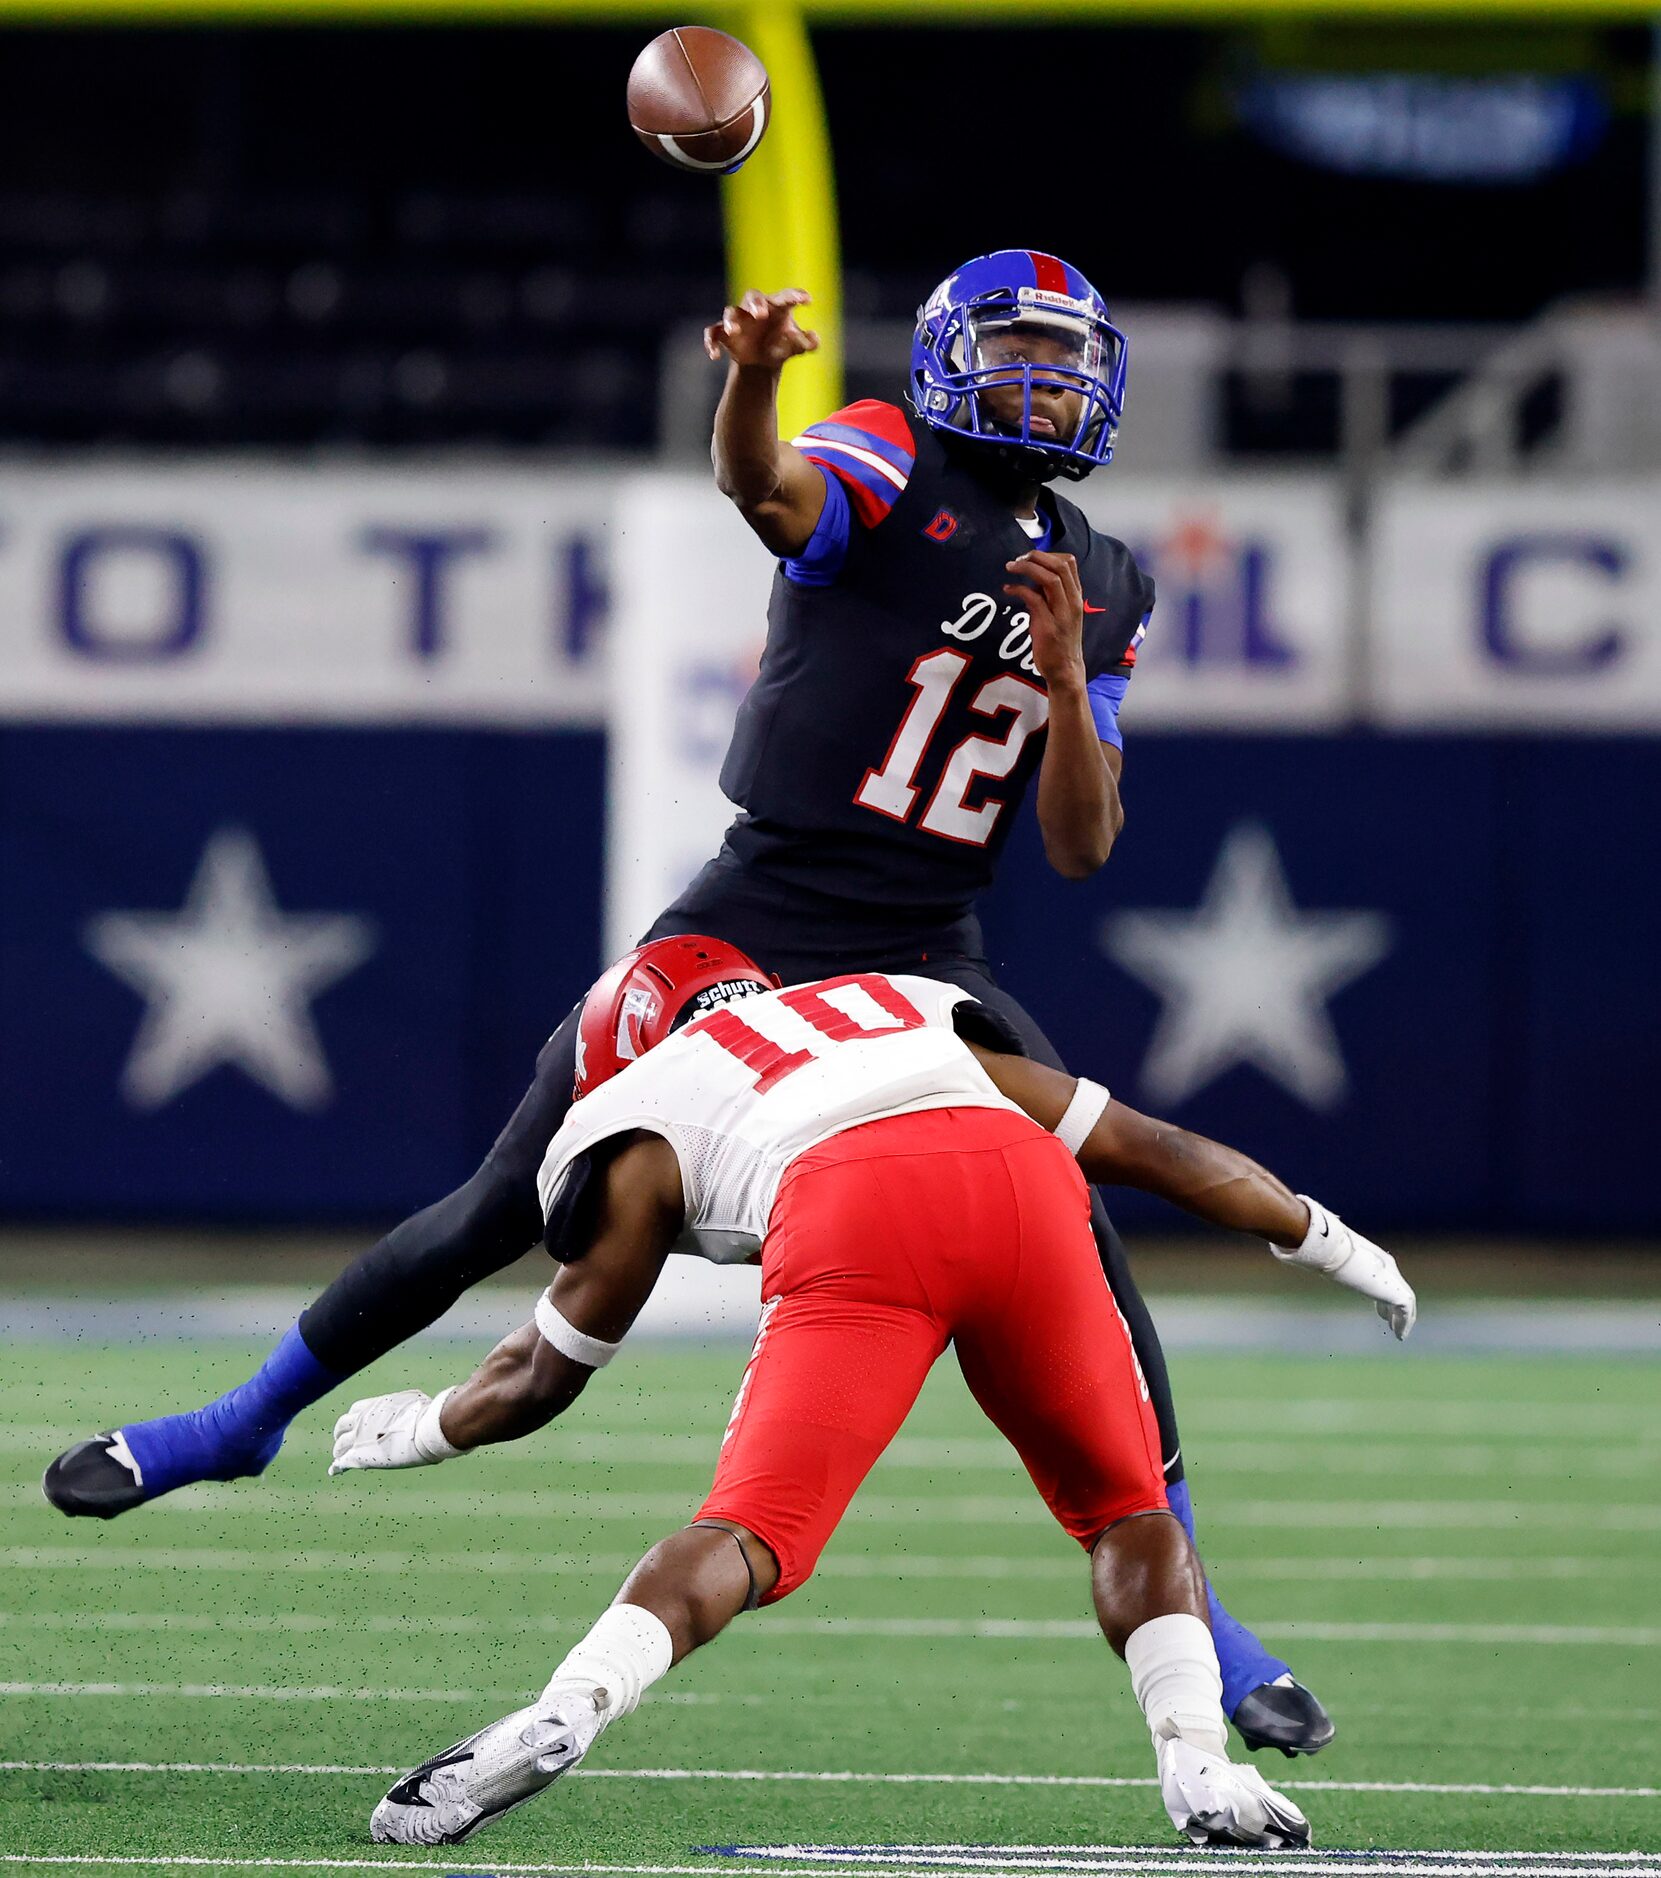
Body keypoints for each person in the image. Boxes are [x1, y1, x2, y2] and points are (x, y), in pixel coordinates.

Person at [46, 250, 1324, 1751]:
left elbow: (1080, 840)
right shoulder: (882, 449)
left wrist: (1059, 679)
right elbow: (769, 493)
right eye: (1013, 353)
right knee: (504, 1201)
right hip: (760, 910)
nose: (1042, 384)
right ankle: (246, 1417)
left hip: (930, 946)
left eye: (1063, 358)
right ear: (942, 361)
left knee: (1084, 1250)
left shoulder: (1106, 578)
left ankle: (1201, 1609)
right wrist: (753, 377)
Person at [332, 936, 1414, 1849]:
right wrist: (1319, 1235)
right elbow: (1148, 1145)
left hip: (853, 1212)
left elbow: (542, 1371)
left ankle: (567, 1706)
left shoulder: (640, 1110)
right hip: (1020, 1181)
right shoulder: (895, 1007)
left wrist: (426, 1428)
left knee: (751, 1533)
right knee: (1126, 1509)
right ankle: (1197, 1770)